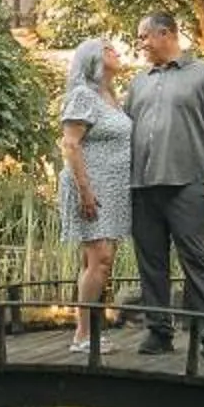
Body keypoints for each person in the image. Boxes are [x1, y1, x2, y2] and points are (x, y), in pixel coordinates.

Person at [122, 10, 204, 362]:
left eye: (143, 36)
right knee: (151, 262)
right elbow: (125, 129)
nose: (140, 44)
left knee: (198, 261)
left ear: (166, 33)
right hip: (142, 186)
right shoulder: (139, 82)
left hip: (188, 183)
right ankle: (158, 332)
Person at [56, 36, 133, 351]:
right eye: (107, 49)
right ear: (92, 59)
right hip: (90, 187)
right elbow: (71, 144)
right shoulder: (83, 95)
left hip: (112, 189)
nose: (115, 51)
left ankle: (87, 332)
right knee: (100, 259)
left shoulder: (110, 96)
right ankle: (83, 336)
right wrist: (85, 191)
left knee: (98, 261)